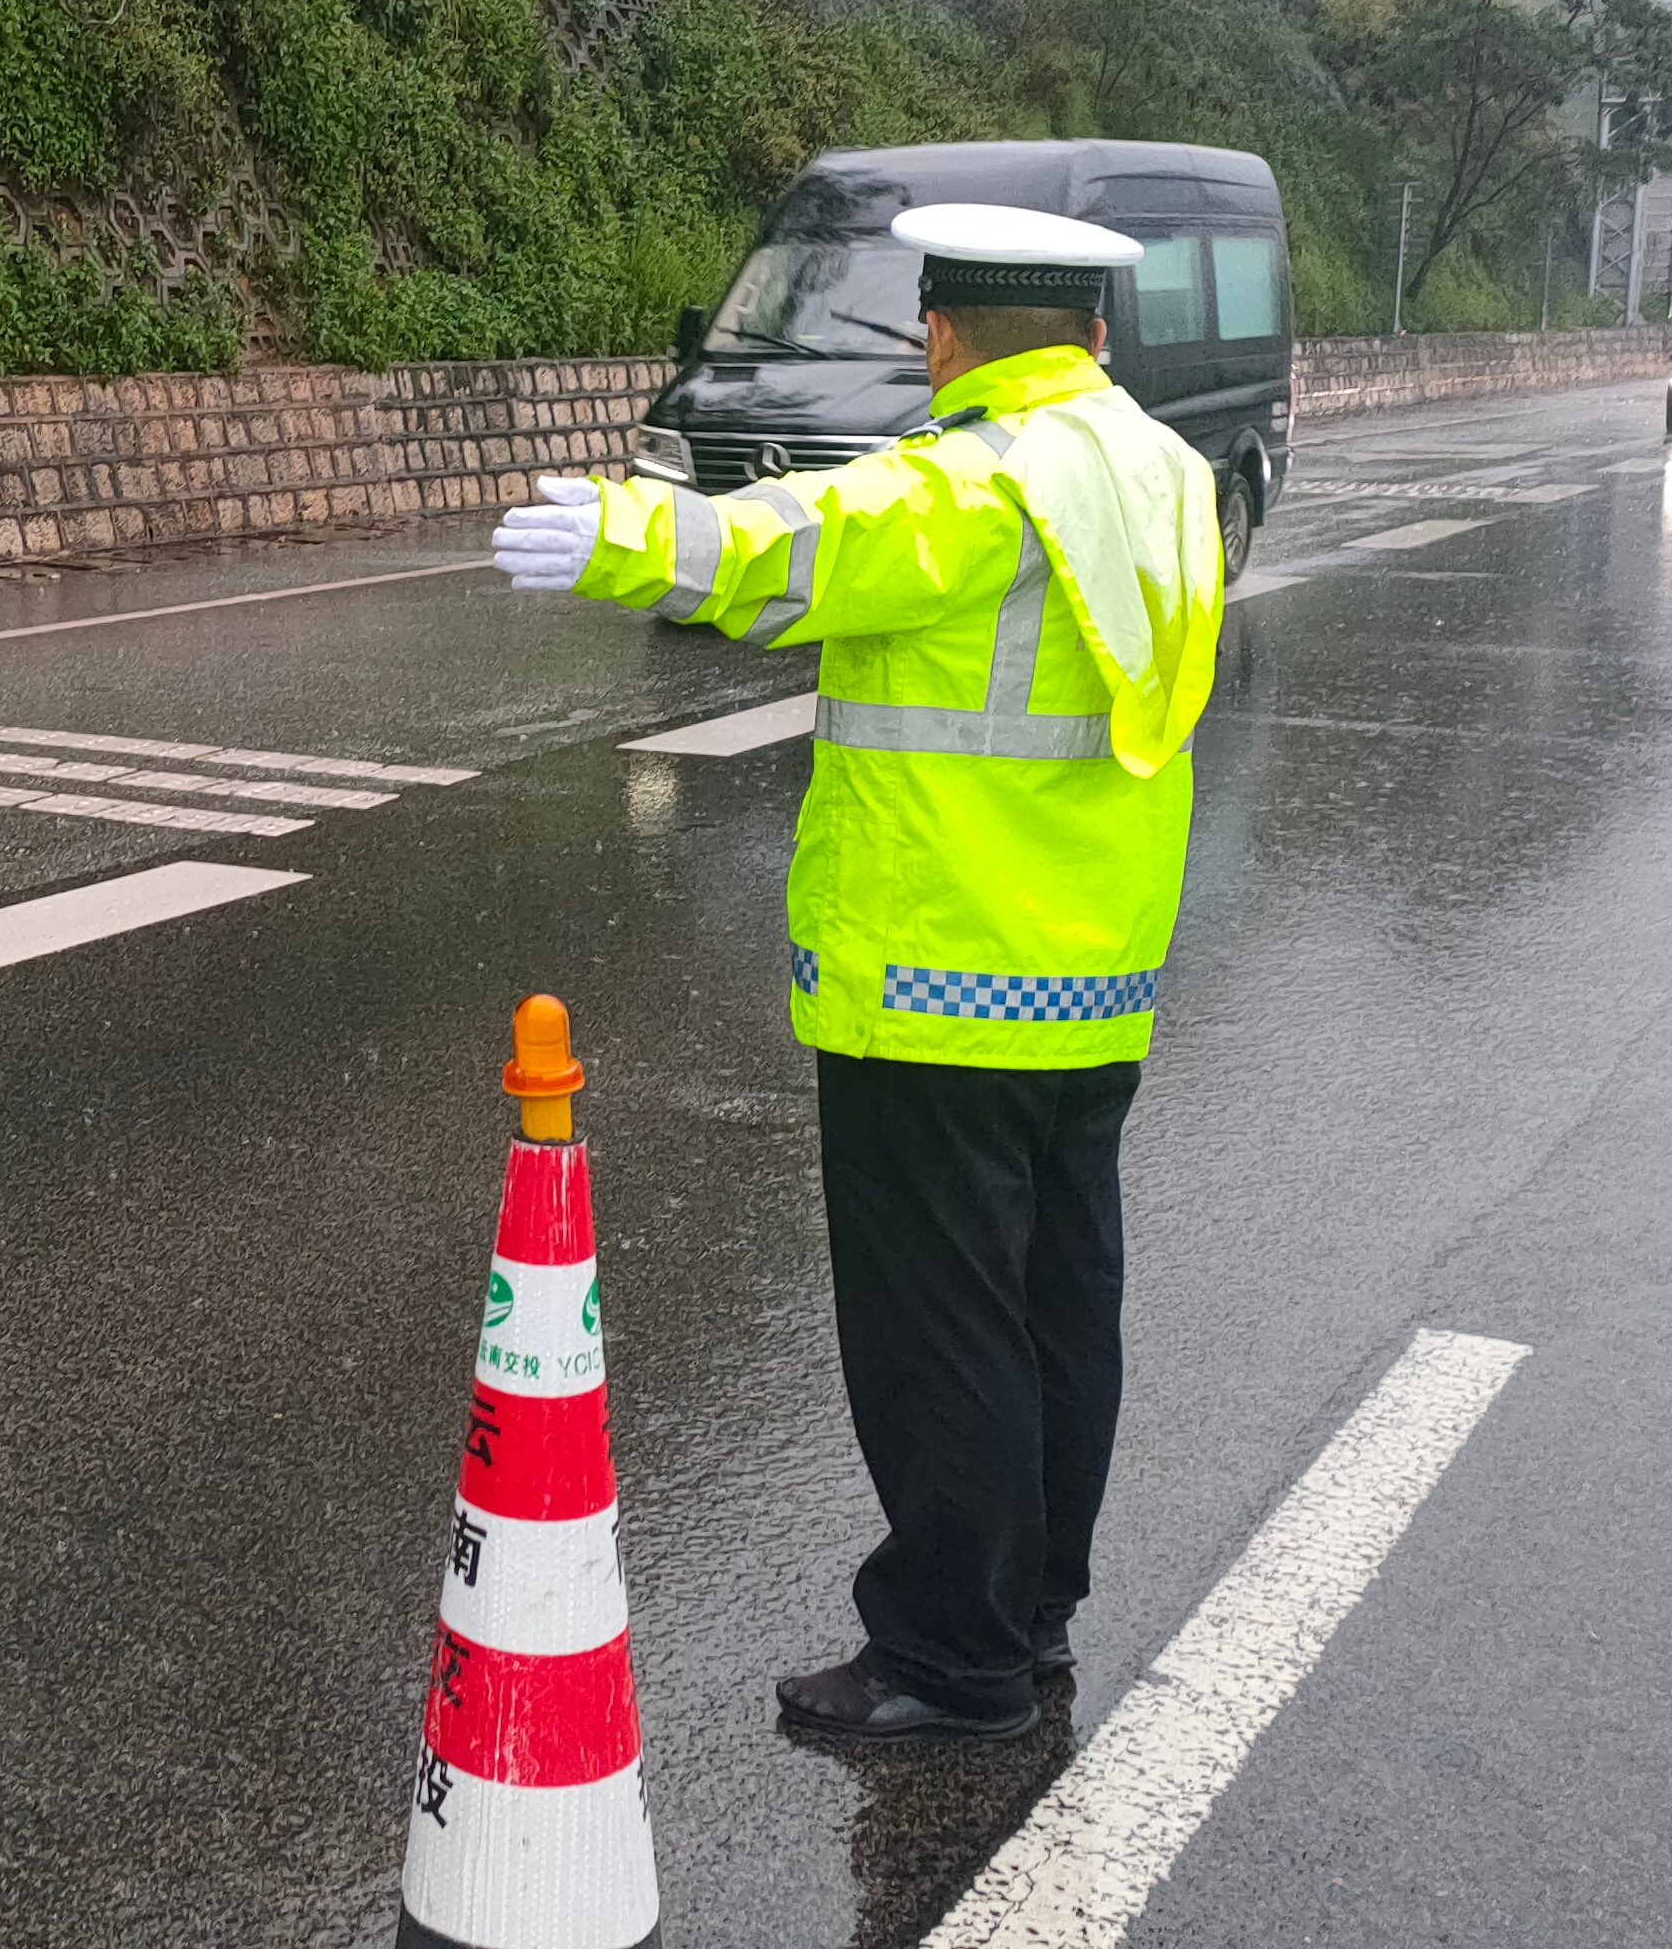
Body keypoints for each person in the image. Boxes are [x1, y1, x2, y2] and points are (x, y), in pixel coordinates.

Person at [489, 204, 1224, 1741]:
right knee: (1055, 1306)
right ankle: (1029, 1611)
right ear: (1093, 331)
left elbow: (787, 550)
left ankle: (952, 1658)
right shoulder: (1159, 468)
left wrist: (613, 533)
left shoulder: (977, 481)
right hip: (1091, 976)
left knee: (941, 1333)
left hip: (938, 979)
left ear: (942, 332)